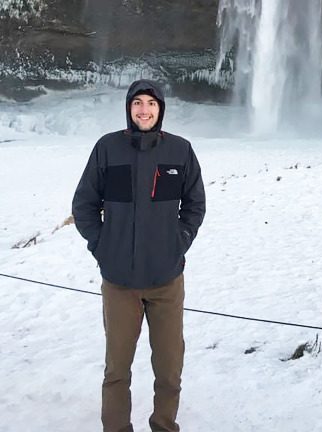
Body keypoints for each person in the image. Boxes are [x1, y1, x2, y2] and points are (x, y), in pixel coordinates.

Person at [72, 79, 206, 432]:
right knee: (117, 370)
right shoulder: (107, 148)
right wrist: (103, 247)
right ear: (129, 108)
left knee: (169, 369)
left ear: (161, 109)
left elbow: (195, 205)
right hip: (119, 283)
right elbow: (84, 205)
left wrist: (179, 242)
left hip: (166, 281)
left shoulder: (180, 150)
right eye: (137, 103)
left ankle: (164, 425)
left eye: (151, 103)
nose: (144, 110)